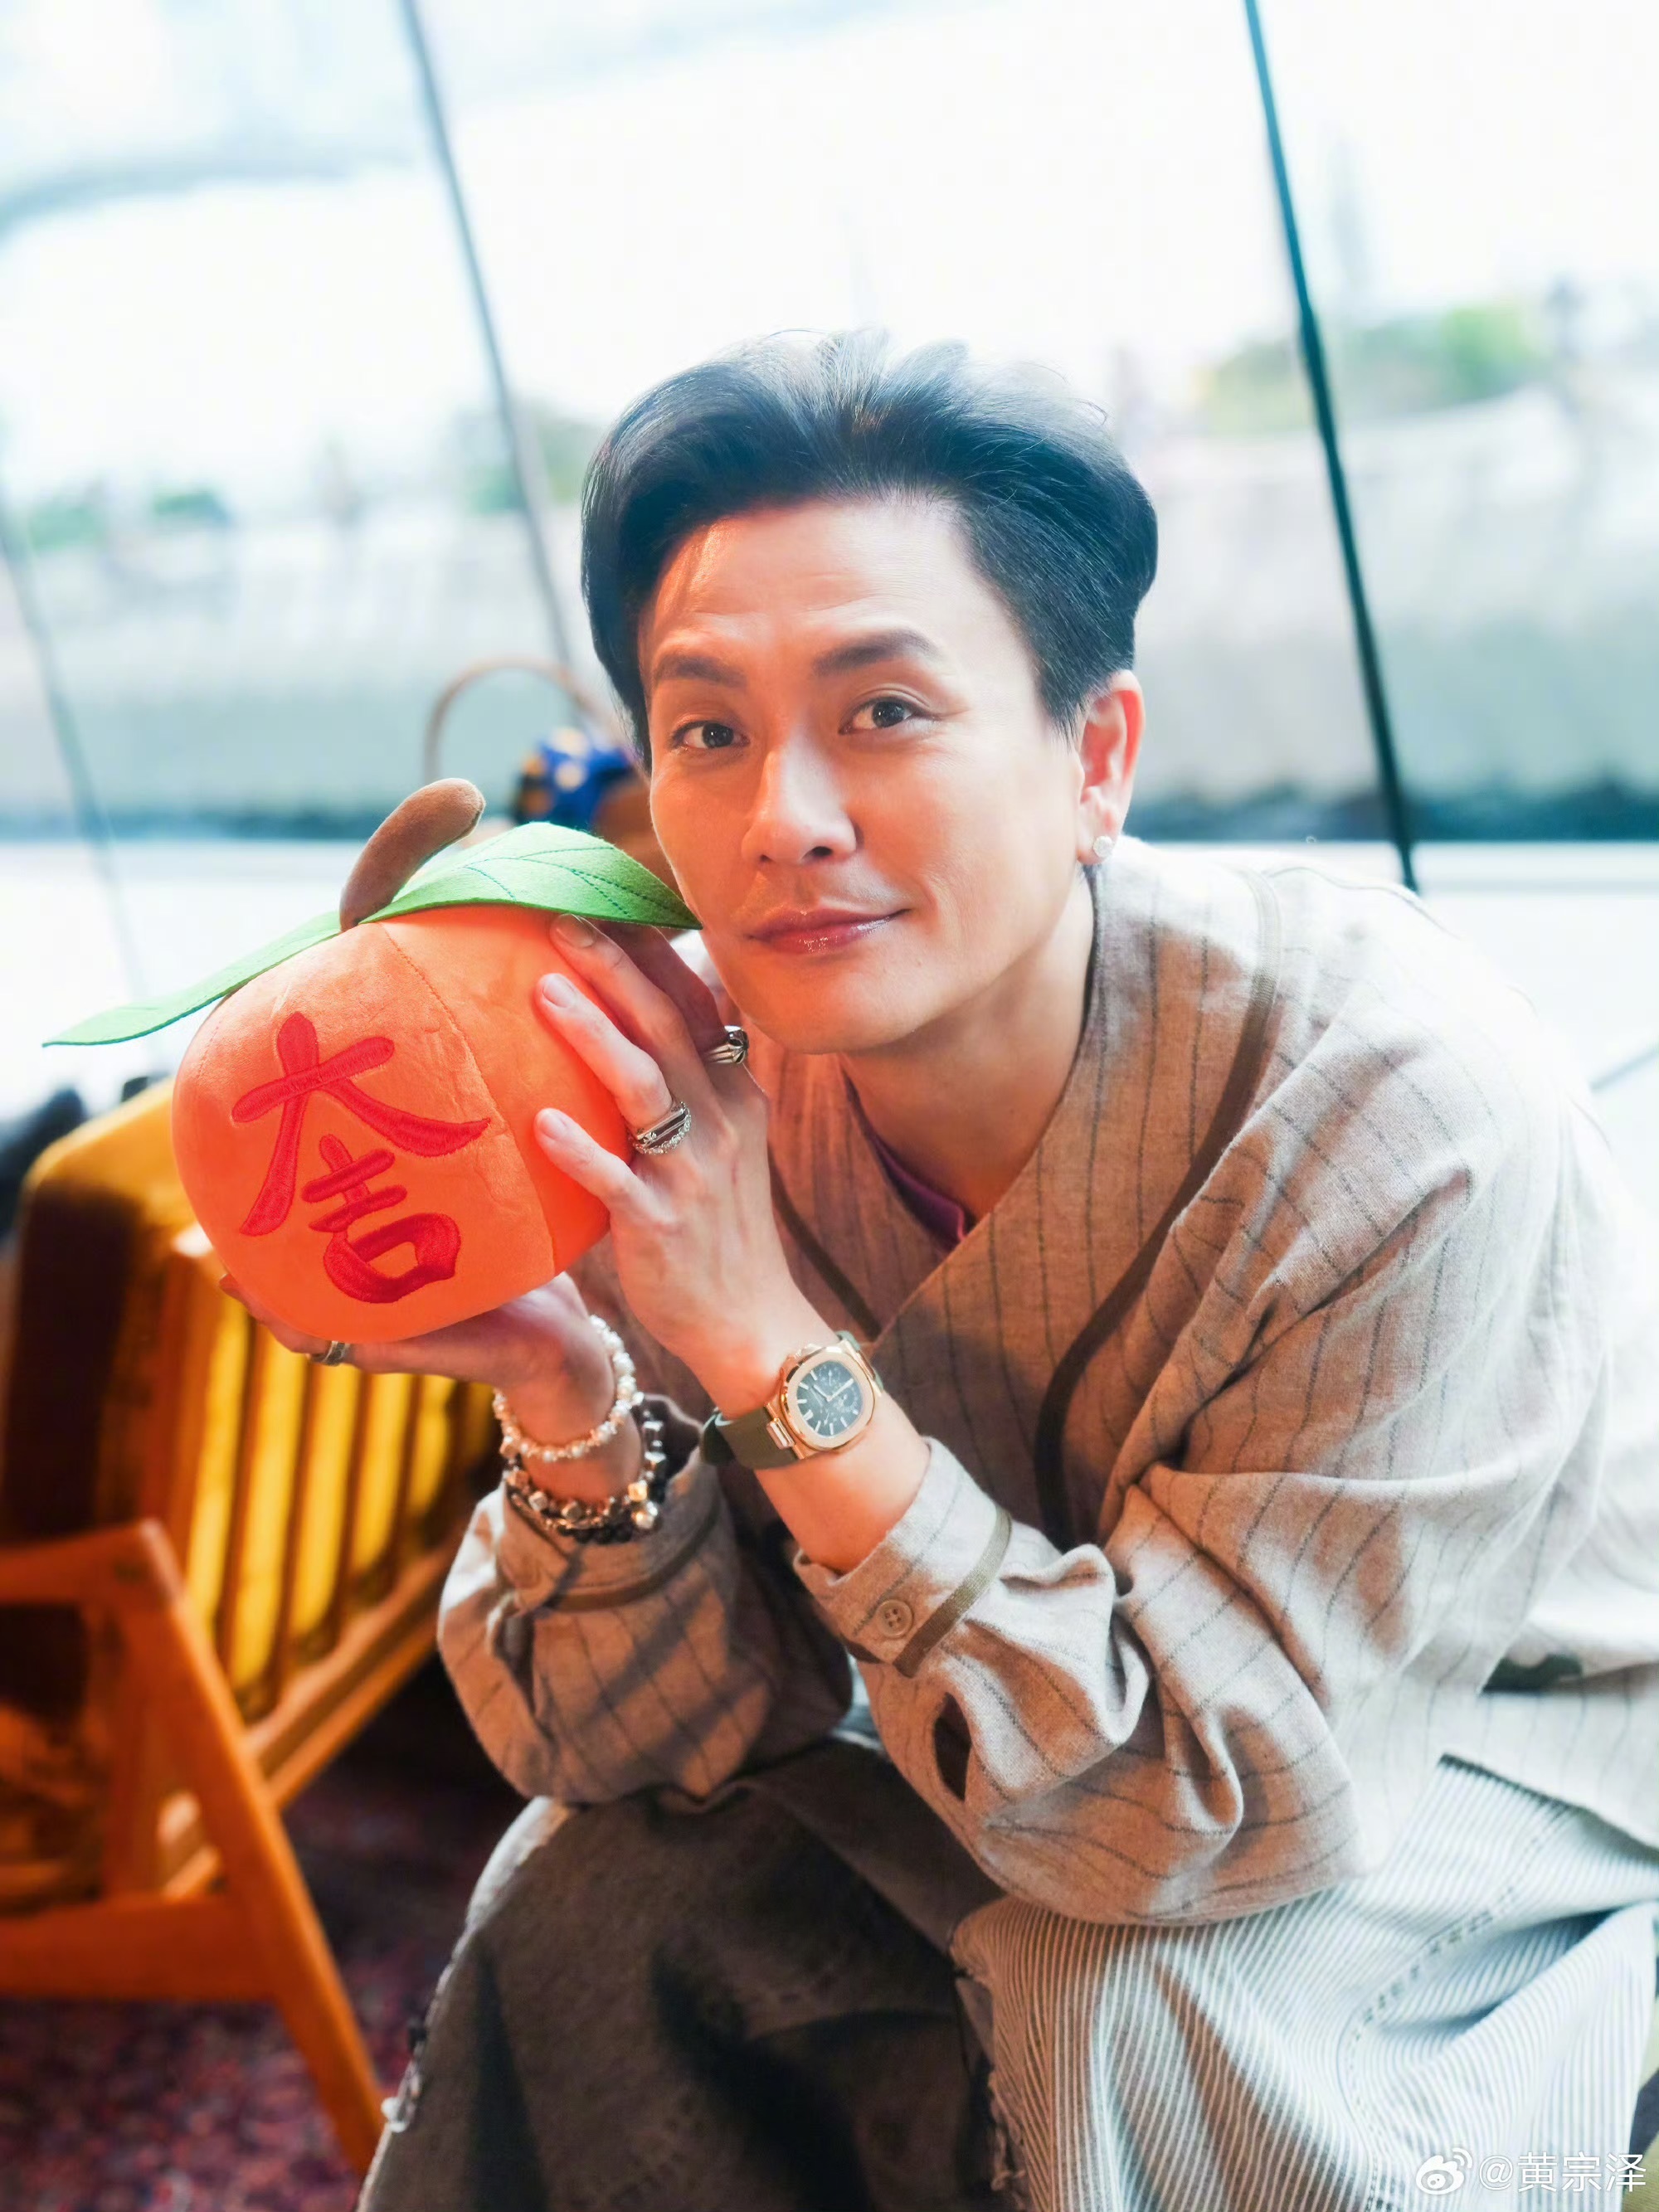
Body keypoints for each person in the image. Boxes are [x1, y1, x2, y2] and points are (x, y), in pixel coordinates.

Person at [234, 333, 1659, 2211]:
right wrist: (567, 1374)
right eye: (708, 731)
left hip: (1488, 1739)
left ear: (1095, 757)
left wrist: (771, 1351)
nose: (786, 819)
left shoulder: (1386, 1109)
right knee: (588, 1900)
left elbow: (1202, 1804)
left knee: (1117, 1992)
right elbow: (629, 1741)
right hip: (1010, 1734)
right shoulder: (697, 1097)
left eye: (885, 711)